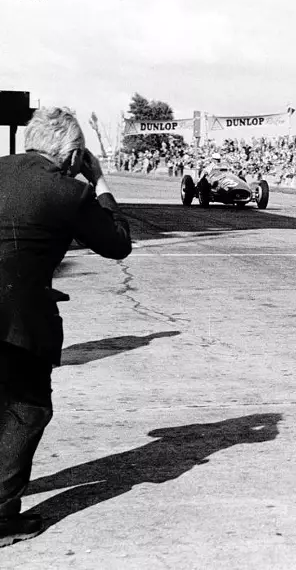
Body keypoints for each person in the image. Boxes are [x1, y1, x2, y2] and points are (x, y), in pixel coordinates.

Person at [0, 107, 132, 546]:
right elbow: (117, 244)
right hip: (18, 322)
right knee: (26, 409)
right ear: (74, 154)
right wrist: (99, 183)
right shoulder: (66, 192)